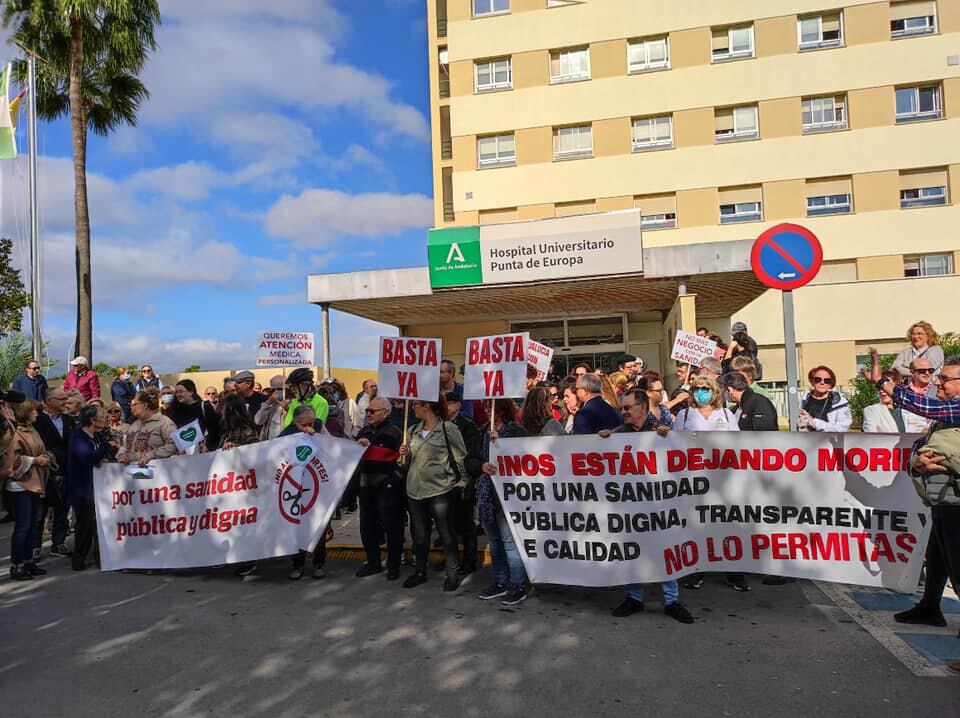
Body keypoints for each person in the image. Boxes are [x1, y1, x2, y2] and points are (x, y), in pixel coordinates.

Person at [871, 354, 960, 674]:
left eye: (945, 379)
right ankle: (929, 607)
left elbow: (927, 408)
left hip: (957, 504)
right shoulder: (947, 417)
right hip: (944, 502)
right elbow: (922, 444)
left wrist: (886, 385)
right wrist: (917, 463)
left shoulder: (953, 409)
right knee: (937, 559)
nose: (938, 383)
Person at [599, 389, 694, 624]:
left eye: (628, 408)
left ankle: (671, 600)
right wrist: (600, 440)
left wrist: (670, 437)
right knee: (632, 551)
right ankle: (634, 597)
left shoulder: (662, 431)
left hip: (661, 507)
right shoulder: (619, 434)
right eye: (622, 408)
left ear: (642, 407)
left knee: (665, 549)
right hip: (631, 507)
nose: (624, 412)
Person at [676, 375, 747, 591]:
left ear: (714, 391)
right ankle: (696, 570)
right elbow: (674, 444)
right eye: (697, 388)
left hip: (722, 479)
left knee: (726, 525)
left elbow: (738, 443)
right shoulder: (684, 415)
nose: (701, 392)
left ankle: (734, 572)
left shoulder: (726, 414)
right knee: (697, 526)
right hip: (694, 480)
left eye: (706, 388)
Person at [398, 395, 467, 591]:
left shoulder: (448, 429)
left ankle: (452, 573)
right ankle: (420, 571)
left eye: (415, 405)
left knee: (446, 533)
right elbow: (403, 464)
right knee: (420, 535)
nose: (413, 409)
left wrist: (462, 481)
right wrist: (403, 455)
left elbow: (460, 455)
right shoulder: (412, 431)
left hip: (440, 489)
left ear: (426, 406)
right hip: (415, 490)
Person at [477, 399, 530, 605]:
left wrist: (502, 445)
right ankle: (499, 582)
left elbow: (527, 459)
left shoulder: (516, 431)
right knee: (495, 542)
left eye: (491, 407)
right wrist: (481, 465)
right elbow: (471, 459)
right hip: (487, 495)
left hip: (508, 495)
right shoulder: (482, 430)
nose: (487, 410)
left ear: (502, 408)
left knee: (510, 542)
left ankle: (518, 584)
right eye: (485, 407)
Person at [355, 396, 404, 580]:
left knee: (392, 527)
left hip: (387, 489)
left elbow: (403, 461)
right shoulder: (363, 432)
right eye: (367, 410)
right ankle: (373, 563)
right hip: (366, 486)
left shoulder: (395, 433)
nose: (368, 414)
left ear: (385, 413)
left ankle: (393, 566)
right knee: (367, 528)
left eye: (372, 411)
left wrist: (393, 481)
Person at [280, 405, 331, 580]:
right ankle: (297, 564)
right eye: (306, 423)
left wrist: (316, 435)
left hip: (317, 484)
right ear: (297, 422)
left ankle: (319, 564)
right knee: (297, 526)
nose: (311, 425)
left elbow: (332, 444)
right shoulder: (286, 434)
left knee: (319, 524)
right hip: (295, 486)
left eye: (312, 421)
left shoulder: (318, 426)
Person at [7, 400, 51, 580]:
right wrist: (34, 461)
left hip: (35, 483)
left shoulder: (33, 430)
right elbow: (12, 460)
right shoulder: (14, 434)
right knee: (23, 527)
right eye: (34, 411)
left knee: (33, 525)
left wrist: (46, 457)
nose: (37, 414)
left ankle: (27, 561)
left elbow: (42, 449)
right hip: (20, 485)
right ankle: (17, 565)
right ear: (26, 412)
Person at [65, 405, 113, 571]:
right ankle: (79, 558)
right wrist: (105, 448)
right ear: (92, 420)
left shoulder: (97, 436)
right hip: (82, 489)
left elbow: (98, 457)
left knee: (96, 523)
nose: (105, 418)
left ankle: (100, 557)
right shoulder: (78, 438)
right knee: (85, 525)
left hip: (96, 486)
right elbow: (88, 457)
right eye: (101, 416)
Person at [33, 388, 75, 558]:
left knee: (63, 509)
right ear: (49, 401)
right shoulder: (38, 420)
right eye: (61, 399)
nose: (66, 402)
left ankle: (58, 543)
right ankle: (34, 546)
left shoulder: (68, 420)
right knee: (40, 512)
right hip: (44, 471)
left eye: (66, 398)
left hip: (66, 470)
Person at [445, 391, 483, 575]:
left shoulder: (467, 427)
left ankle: (469, 561)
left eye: (450, 403)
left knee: (466, 525)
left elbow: (468, 454)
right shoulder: (439, 425)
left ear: (458, 405)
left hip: (462, 481)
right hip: (443, 481)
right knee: (448, 525)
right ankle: (451, 560)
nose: (446, 406)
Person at [117, 391, 177, 466]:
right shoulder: (134, 425)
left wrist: (151, 455)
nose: (132, 407)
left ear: (145, 405)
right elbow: (125, 446)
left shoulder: (164, 422)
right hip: (131, 472)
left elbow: (173, 445)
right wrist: (121, 454)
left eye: (135, 404)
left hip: (157, 472)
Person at [798, 366, 852, 432]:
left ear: (831, 384)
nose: (822, 382)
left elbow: (841, 429)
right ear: (812, 381)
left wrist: (814, 422)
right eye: (818, 379)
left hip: (829, 441)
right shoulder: (804, 400)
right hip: (805, 440)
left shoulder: (839, 403)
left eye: (827, 380)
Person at [900, 358, 937, 434]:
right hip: (905, 439)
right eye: (922, 370)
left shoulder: (940, 391)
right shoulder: (902, 392)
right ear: (912, 372)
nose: (927, 373)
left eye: (930, 370)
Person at [254, 375, 289, 441]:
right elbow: (258, 421)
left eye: (279, 389)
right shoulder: (269, 404)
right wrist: (267, 403)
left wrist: (288, 409)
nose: (276, 392)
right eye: (273, 390)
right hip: (269, 444)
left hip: (285, 443)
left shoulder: (293, 403)